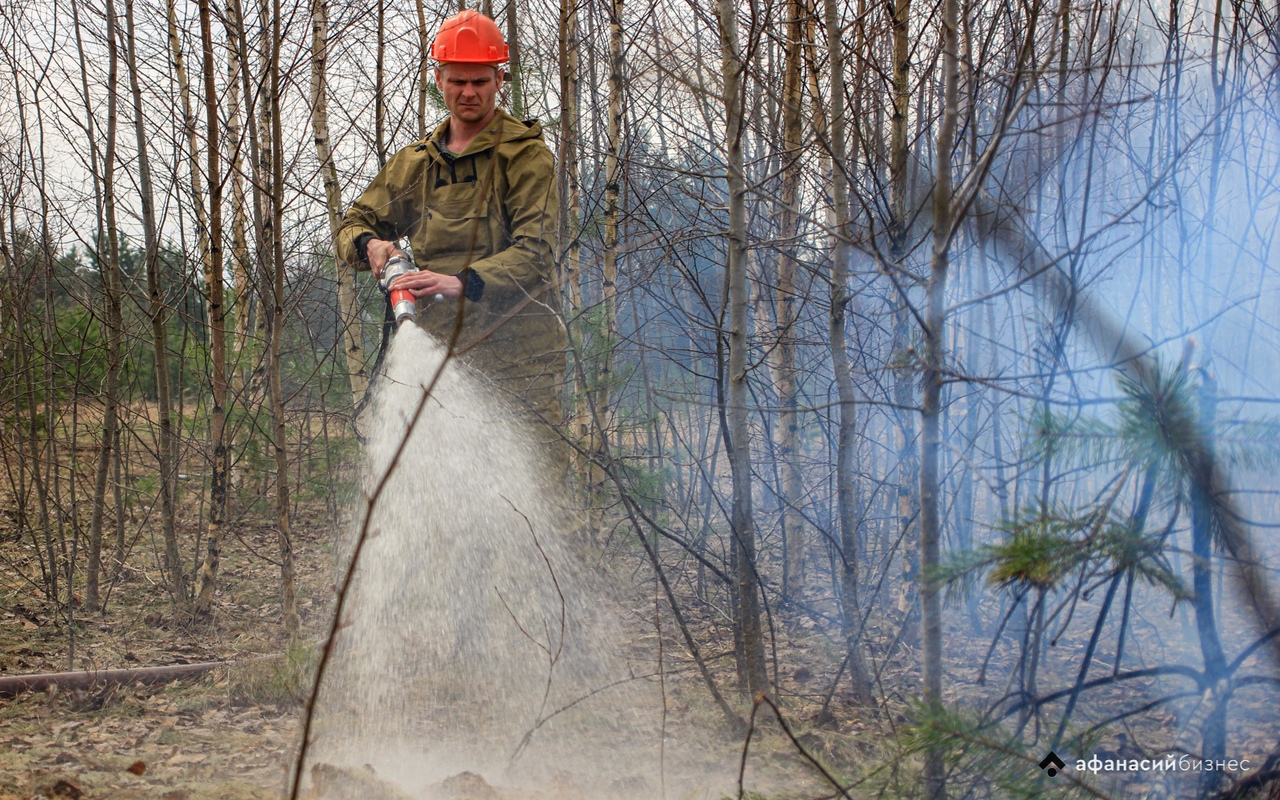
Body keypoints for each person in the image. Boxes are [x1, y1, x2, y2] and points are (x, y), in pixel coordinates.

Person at [335, 10, 567, 465]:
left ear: (499, 80)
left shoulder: (524, 156)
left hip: (519, 362)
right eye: (458, 81)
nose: (469, 92)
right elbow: (353, 224)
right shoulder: (417, 163)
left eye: (480, 81)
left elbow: (535, 254)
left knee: (536, 483)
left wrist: (459, 281)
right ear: (438, 79)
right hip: (439, 357)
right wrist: (372, 245)